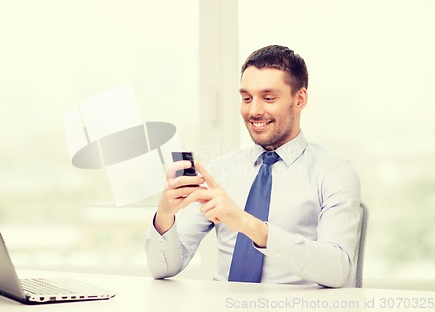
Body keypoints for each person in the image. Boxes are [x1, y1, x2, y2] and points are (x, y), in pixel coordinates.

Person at [145, 45, 362, 288]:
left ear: (299, 99)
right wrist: (165, 215)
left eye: (268, 98)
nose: (254, 111)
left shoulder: (334, 172)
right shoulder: (220, 172)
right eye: (247, 98)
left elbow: (338, 269)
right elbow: (162, 268)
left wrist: (247, 224)